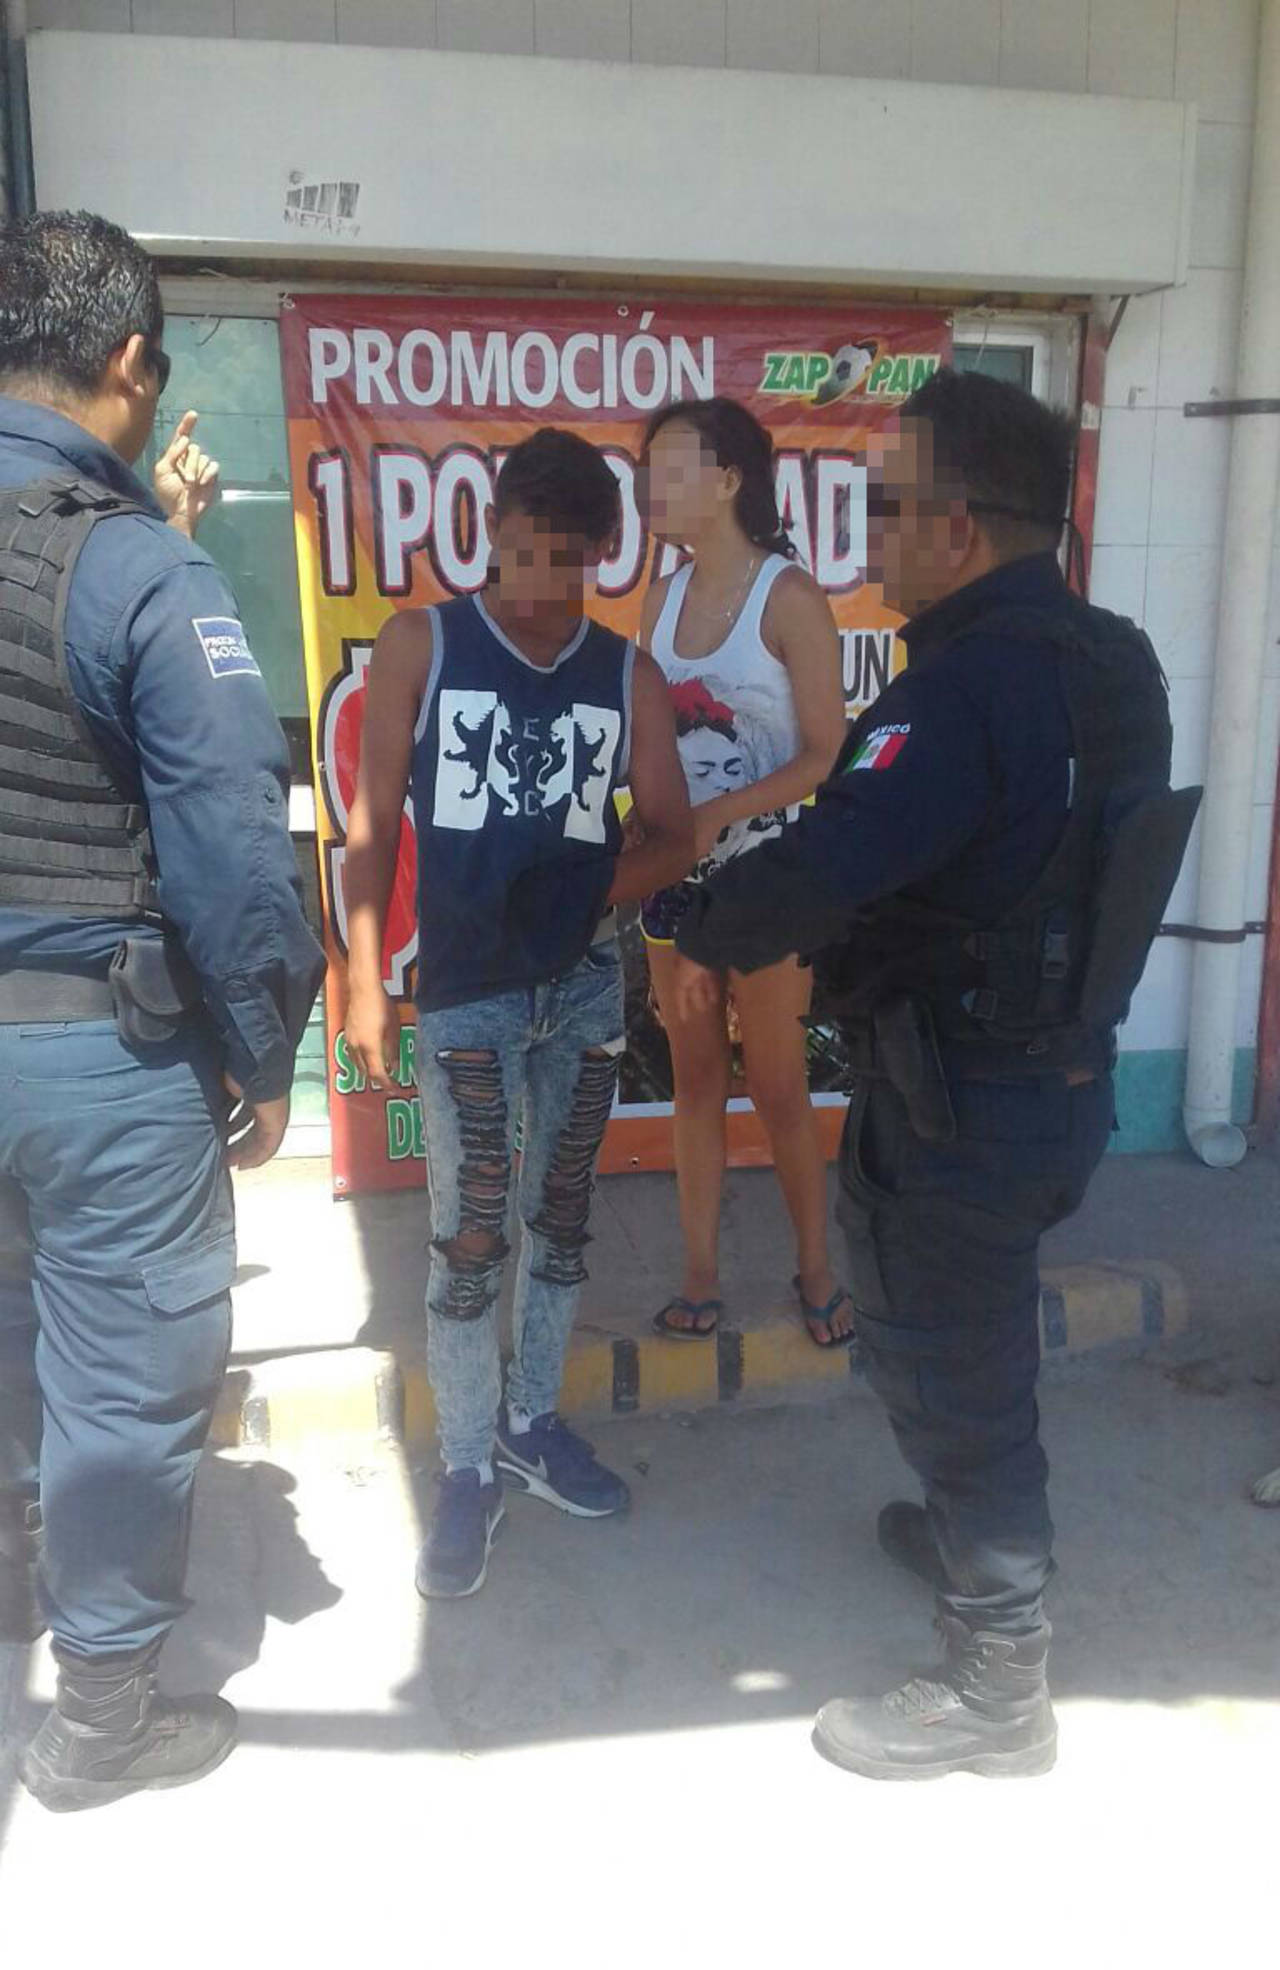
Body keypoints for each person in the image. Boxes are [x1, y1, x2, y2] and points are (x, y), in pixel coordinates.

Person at [671, 368, 1196, 1781]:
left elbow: (831, 862)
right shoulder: (1117, 661)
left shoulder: (962, 689)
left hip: (958, 1102)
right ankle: (975, 1542)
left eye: (885, 507)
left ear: (958, 526)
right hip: (1057, 1086)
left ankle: (997, 1679)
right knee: (969, 1340)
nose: (866, 537)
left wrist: (690, 921)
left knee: (951, 1366)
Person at [0, 210, 326, 1812]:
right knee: (125, 1372)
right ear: (130, 363)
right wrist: (263, 1055)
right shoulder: (133, 565)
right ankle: (103, 1717)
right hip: (92, 1051)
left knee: (13, 1332)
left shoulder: (128, 544)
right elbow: (235, 854)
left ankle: (27, 1567)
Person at [344, 427, 693, 1601]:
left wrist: (595, 888)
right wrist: (362, 977)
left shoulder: (625, 674)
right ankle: (463, 1469)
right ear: (489, 533)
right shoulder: (423, 644)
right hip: (467, 1000)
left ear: (601, 553)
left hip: (584, 987)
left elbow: (674, 834)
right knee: (468, 1238)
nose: (543, 584)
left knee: (560, 1224)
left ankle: (529, 1424)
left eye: (570, 559)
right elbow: (370, 826)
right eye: (525, 551)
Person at [638, 398, 853, 1348]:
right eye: (647, 466)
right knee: (693, 1081)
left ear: (728, 479)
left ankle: (816, 1269)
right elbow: (652, 739)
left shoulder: (789, 596)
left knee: (776, 1085)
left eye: (671, 464)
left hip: (770, 885)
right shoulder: (660, 599)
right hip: (674, 882)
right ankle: (698, 1274)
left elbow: (826, 755)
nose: (651, 483)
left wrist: (717, 813)